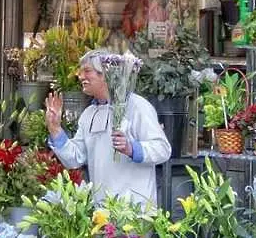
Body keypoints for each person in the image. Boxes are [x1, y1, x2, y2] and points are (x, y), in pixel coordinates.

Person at [45, 49, 171, 203]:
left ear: (105, 74)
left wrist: (131, 149)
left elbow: (163, 149)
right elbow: (75, 159)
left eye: (87, 71)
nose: (80, 76)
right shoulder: (89, 114)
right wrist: (55, 129)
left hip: (134, 211)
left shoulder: (137, 106)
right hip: (102, 211)